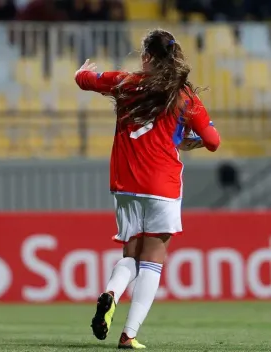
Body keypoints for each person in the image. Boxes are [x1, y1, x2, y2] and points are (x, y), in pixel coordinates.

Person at [75, 29, 220, 349]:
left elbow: (84, 79)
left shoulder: (124, 82)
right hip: (162, 184)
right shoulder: (184, 96)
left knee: (130, 253)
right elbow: (213, 141)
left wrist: (83, 70)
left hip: (124, 184)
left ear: (146, 57)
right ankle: (129, 335)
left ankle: (111, 292)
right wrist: (185, 141)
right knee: (152, 260)